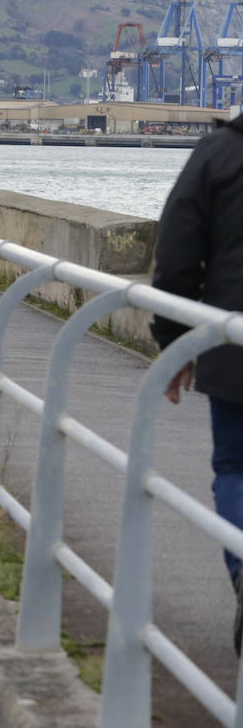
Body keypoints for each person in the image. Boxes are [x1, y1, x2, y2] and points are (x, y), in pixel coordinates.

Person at [150, 103, 243, 652]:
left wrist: (174, 341)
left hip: (232, 342)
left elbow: (178, 255)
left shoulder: (218, 153)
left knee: (234, 465)